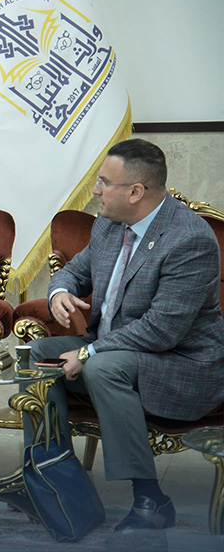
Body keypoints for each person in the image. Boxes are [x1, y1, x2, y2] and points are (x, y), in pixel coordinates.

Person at [29, 138, 224, 531]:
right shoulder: (108, 224)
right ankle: (55, 479)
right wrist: (59, 292)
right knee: (37, 354)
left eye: (104, 182)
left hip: (182, 364)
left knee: (103, 368)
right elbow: (73, 271)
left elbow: (161, 331)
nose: (95, 190)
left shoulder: (190, 239)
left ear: (135, 192)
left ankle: (151, 499)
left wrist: (88, 354)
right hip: (119, 350)